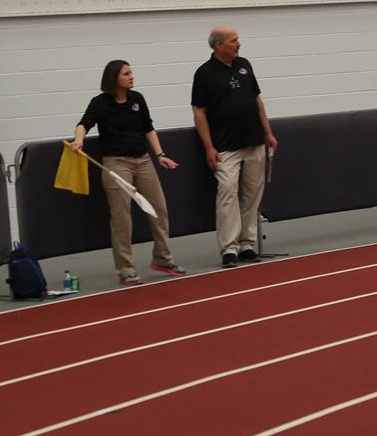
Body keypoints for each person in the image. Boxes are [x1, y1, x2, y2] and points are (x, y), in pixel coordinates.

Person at [72, 60, 185, 285]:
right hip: (116, 164)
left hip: (142, 161)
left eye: (131, 72)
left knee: (158, 209)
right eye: (127, 73)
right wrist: (78, 140)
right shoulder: (100, 103)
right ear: (114, 78)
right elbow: (83, 124)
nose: (132, 76)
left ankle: (162, 258)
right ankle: (125, 269)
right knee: (122, 218)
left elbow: (148, 128)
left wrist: (160, 155)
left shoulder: (137, 99)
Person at [191, 25, 278, 267]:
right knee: (227, 193)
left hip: (254, 140)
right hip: (226, 146)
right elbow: (199, 112)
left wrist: (268, 132)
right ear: (219, 45)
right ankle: (229, 248)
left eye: (237, 39)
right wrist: (209, 147)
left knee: (252, 194)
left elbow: (256, 100)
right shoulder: (204, 74)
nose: (239, 44)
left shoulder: (245, 65)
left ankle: (247, 243)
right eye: (233, 40)